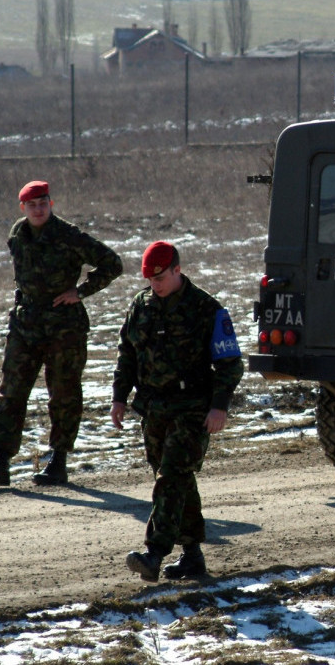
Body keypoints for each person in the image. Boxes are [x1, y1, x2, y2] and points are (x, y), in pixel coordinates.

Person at [111, 241, 244, 582]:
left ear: (176, 270)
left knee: (170, 478)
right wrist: (119, 397)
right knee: (177, 481)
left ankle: (154, 554)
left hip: (192, 409)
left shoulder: (206, 308)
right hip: (154, 409)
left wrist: (219, 406)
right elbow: (128, 354)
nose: (155, 284)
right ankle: (192, 557)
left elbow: (230, 364)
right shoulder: (140, 306)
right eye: (150, 279)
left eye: (161, 277)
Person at [0, 180, 123, 487]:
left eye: (43, 203)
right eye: (32, 205)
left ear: (51, 204)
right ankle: (0, 462)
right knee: (11, 393)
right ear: (23, 208)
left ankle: (58, 461)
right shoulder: (17, 234)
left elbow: (112, 263)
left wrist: (81, 291)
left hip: (63, 327)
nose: (38, 209)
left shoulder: (69, 235)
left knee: (64, 394)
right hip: (26, 325)